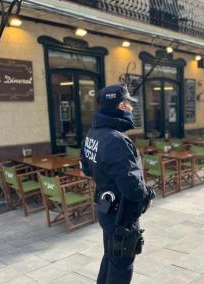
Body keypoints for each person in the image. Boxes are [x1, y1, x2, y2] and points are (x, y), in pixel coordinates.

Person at [81, 83, 155, 284]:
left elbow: (86, 169)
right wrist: (149, 194)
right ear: (121, 106)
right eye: (129, 104)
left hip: (106, 208)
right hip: (121, 213)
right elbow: (132, 187)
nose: (131, 107)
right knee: (121, 266)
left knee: (111, 257)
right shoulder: (116, 140)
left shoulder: (93, 133)